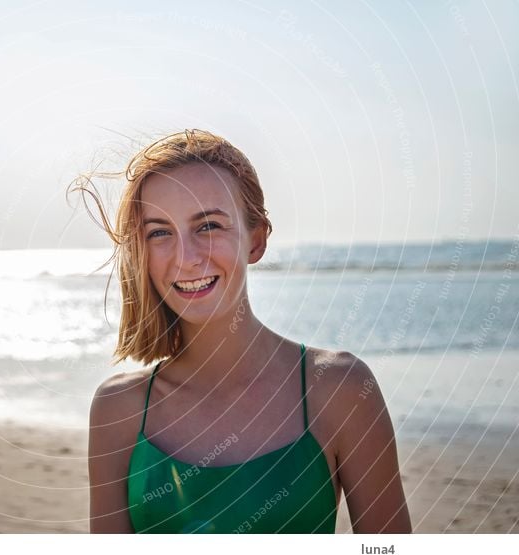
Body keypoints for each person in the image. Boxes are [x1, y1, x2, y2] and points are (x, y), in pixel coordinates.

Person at [76, 129, 411, 534]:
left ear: (256, 240)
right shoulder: (118, 409)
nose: (187, 258)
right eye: (160, 232)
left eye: (209, 226)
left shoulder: (338, 389)